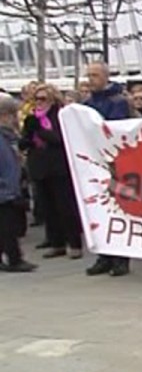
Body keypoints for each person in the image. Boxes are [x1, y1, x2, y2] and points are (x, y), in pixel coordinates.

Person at [20, 84, 83, 261]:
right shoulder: (33, 117)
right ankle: (56, 243)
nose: (39, 102)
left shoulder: (59, 117)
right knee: (48, 208)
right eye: (36, 99)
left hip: (58, 166)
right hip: (39, 166)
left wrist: (40, 130)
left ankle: (74, 243)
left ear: (52, 99)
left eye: (43, 99)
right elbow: (25, 141)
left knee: (64, 206)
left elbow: (59, 139)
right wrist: (28, 138)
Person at [82, 62, 133, 278]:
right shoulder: (86, 103)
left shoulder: (117, 102)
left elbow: (115, 129)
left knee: (117, 208)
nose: (90, 79)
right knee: (99, 209)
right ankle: (104, 254)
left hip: (114, 163)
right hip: (94, 162)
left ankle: (121, 258)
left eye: (94, 75)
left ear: (105, 77)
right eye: (89, 75)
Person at [0, 95, 36, 272]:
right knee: (8, 228)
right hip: (5, 191)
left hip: (9, 188)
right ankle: (15, 259)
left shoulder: (8, 137)